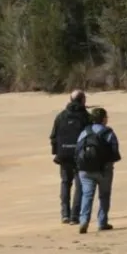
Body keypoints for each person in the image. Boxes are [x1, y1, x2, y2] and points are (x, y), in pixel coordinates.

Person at [75, 107, 122, 234]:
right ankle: (102, 222)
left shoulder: (85, 132)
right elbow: (115, 152)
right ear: (103, 119)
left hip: (85, 169)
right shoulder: (108, 132)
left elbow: (77, 149)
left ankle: (84, 220)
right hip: (104, 170)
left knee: (87, 195)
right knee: (104, 196)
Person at [49, 90, 91, 224]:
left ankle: (65, 214)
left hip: (64, 154)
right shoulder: (86, 116)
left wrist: (56, 153)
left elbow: (53, 136)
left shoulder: (61, 116)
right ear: (82, 100)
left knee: (66, 183)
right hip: (80, 155)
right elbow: (90, 136)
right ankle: (75, 216)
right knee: (80, 185)